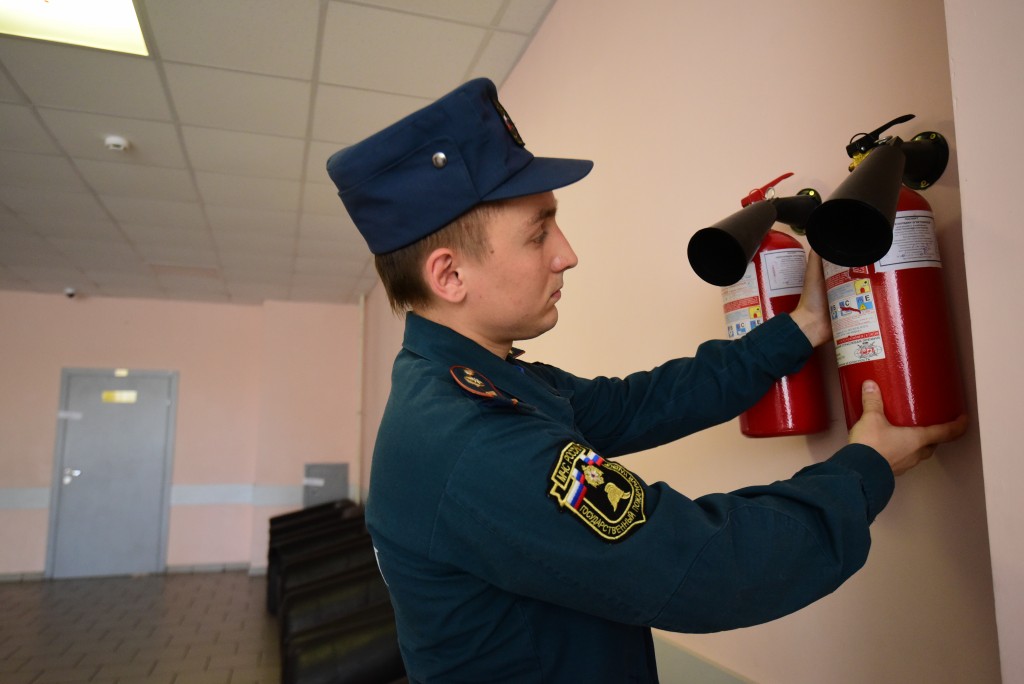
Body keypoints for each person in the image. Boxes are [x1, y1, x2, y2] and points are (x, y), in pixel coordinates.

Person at [326, 78, 967, 683]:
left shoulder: (472, 380)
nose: (566, 252)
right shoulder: (470, 439)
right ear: (449, 276)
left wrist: (797, 330)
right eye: (537, 232)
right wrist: (864, 469)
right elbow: (707, 567)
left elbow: (636, 404)